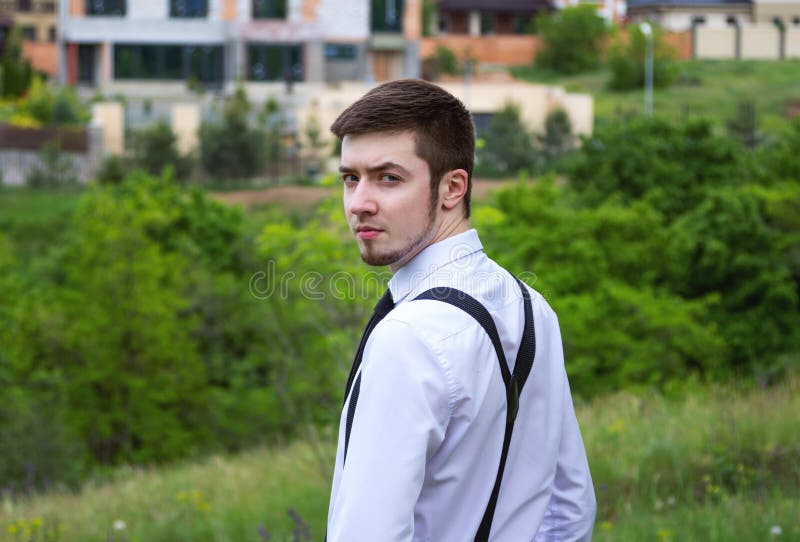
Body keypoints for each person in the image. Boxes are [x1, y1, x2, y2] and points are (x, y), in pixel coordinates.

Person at [326, 79, 596, 541]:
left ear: (453, 187)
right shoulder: (530, 306)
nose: (359, 203)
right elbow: (570, 509)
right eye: (351, 177)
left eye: (388, 178)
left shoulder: (407, 337)